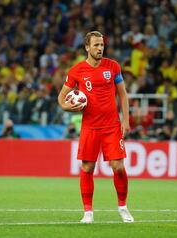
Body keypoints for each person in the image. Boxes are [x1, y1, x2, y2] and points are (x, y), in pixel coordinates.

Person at [58, 31, 134, 223]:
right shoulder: (76, 71)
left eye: (101, 45)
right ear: (87, 47)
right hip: (90, 127)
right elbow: (61, 99)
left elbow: (123, 95)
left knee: (118, 167)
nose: (100, 48)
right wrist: (69, 107)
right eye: (96, 45)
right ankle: (88, 212)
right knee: (88, 167)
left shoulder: (113, 66)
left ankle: (123, 207)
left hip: (112, 126)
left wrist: (125, 121)